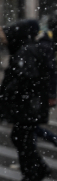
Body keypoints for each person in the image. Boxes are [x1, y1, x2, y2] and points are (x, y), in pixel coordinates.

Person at [0, 20, 53, 181]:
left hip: (27, 106)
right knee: (23, 137)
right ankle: (36, 170)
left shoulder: (25, 52)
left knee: (22, 137)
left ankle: (34, 172)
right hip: (29, 105)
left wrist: (11, 92)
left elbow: (26, 78)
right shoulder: (26, 50)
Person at [34, 15, 57, 147]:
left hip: (38, 91)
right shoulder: (47, 44)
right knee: (28, 129)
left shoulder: (44, 44)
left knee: (28, 129)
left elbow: (50, 70)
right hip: (39, 91)